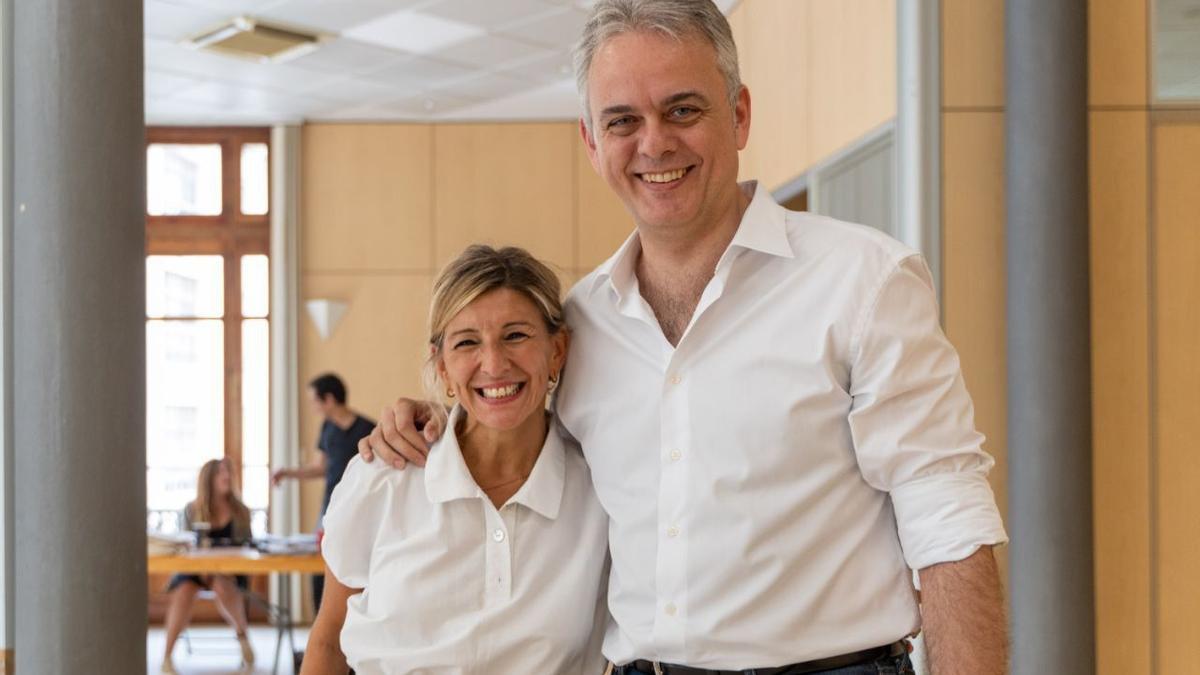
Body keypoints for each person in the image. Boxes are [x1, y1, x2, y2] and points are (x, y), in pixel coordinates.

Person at [361, 1, 1009, 673]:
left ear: (739, 115)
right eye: (623, 121)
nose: (654, 143)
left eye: (682, 110)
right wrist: (434, 419)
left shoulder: (864, 282)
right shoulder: (581, 324)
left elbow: (947, 515)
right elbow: (521, 438)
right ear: (591, 142)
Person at [301, 245, 609, 674]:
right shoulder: (383, 475)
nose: (494, 364)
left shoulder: (602, 487)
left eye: (516, 335)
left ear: (557, 350)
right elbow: (328, 642)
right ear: (441, 366)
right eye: (467, 342)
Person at [272, 372, 375, 610]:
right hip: (329, 509)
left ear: (328, 399)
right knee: (319, 566)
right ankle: (320, 620)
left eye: (314, 401)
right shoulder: (327, 429)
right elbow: (321, 468)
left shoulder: (367, 429)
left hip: (360, 512)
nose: (313, 407)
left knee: (353, 567)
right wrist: (287, 473)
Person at [161, 458, 255, 674]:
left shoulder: (241, 511)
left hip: (228, 571)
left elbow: (248, 545)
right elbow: (183, 544)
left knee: (222, 585)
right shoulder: (191, 510)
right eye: (221, 473)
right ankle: (166, 656)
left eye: (228, 472)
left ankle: (243, 637)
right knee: (184, 591)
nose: (227, 477)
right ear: (208, 479)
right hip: (194, 570)